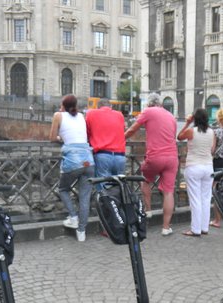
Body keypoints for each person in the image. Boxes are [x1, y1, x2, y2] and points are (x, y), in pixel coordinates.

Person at [124, 92, 178, 236]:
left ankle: (148, 210)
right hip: (172, 157)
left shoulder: (148, 111)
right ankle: (166, 227)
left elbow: (133, 129)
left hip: (155, 156)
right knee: (168, 192)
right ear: (160, 104)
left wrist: (121, 138)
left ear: (149, 104)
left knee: (145, 179)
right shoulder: (171, 116)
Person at [49, 94, 94, 242]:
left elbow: (51, 137)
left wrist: (60, 139)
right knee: (85, 197)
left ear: (63, 105)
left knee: (63, 189)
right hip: (88, 159)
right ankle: (82, 232)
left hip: (73, 159)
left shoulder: (58, 115)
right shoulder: (81, 116)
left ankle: (73, 216)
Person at [177, 108, 215, 237]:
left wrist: (187, 123)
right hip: (208, 166)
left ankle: (195, 229)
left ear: (195, 118)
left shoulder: (191, 131)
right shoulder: (212, 132)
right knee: (206, 198)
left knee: (195, 199)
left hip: (194, 166)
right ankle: (204, 227)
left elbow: (179, 137)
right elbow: (212, 149)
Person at [86, 97, 127, 184]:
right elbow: (122, 130)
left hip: (102, 155)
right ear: (110, 106)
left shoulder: (91, 114)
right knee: (119, 187)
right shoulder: (120, 115)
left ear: (98, 106)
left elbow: (87, 132)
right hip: (120, 156)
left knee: (104, 188)